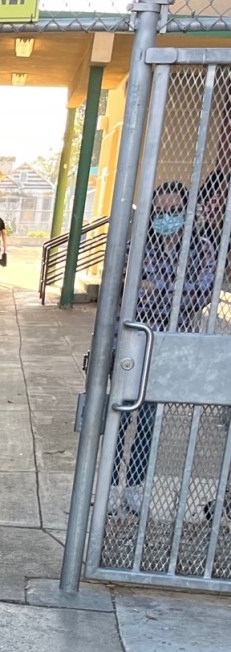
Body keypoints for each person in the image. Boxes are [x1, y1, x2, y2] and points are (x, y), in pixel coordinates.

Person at [111, 181, 218, 515]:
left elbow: (201, 295)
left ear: (186, 213)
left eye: (173, 211)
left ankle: (137, 487)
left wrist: (153, 288)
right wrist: (171, 290)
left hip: (169, 348)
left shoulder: (202, 249)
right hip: (132, 343)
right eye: (160, 211)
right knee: (119, 413)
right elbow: (125, 292)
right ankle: (112, 485)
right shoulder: (137, 246)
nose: (166, 217)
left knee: (148, 420)